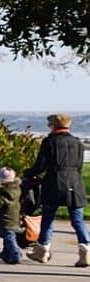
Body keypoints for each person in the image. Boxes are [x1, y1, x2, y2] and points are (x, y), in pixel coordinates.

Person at [25, 113, 88, 267]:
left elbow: (41, 165)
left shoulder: (49, 142)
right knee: (77, 219)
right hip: (74, 181)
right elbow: (79, 165)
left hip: (54, 181)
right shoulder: (77, 142)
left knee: (48, 218)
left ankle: (43, 250)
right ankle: (85, 248)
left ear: (52, 126)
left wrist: (28, 174)